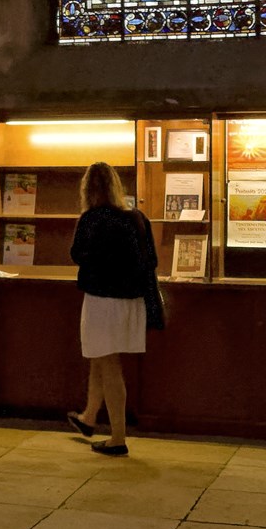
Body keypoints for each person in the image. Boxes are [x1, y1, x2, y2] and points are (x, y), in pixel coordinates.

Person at [66, 160, 157, 456]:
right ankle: (89, 417)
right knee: (101, 357)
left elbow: (77, 255)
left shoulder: (90, 219)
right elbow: (151, 259)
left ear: (87, 189)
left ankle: (118, 438)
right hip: (132, 301)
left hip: (102, 301)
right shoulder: (136, 217)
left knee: (108, 363)